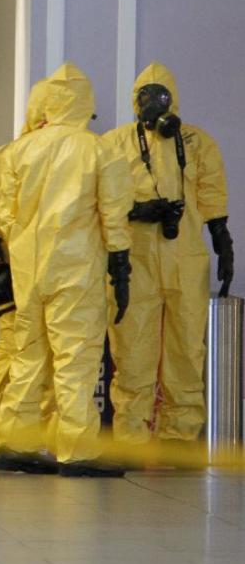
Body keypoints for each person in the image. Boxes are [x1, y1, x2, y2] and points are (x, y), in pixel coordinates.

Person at [0, 62, 132, 477]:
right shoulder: (100, 150)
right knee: (76, 359)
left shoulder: (19, 150)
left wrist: (21, 249)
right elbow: (114, 214)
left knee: (26, 356)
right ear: (86, 104)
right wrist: (120, 266)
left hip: (28, 270)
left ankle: (15, 444)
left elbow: (4, 214)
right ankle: (77, 450)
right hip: (76, 270)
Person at [104, 62, 232, 450]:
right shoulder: (114, 144)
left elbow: (211, 197)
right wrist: (137, 210)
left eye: (161, 96)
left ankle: (178, 434)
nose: (154, 103)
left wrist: (224, 243)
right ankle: (131, 435)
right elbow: (103, 200)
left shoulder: (197, 142)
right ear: (134, 100)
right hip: (136, 261)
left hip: (186, 262)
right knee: (133, 350)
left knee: (186, 351)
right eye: (146, 96)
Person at [0, 80, 54, 469]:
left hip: (12, 270)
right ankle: (13, 442)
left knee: (8, 354)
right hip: (37, 273)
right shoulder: (58, 156)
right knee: (31, 358)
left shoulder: (5, 155)